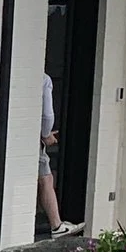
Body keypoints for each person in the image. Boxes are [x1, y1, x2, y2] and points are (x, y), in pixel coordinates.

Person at [37, 71, 81, 237]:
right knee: (46, 179)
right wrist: (46, 133)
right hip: (33, 139)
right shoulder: (44, 79)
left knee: (44, 177)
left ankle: (57, 225)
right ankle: (56, 226)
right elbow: (47, 114)